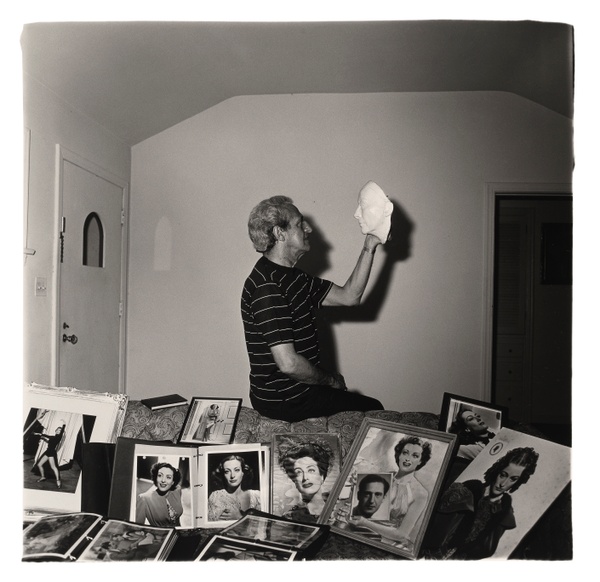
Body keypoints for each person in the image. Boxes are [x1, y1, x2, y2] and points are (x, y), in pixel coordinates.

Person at [241, 194, 385, 422]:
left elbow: (349, 296)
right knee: (373, 409)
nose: (308, 229)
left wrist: (370, 245)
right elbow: (288, 364)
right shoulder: (267, 287)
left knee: (371, 407)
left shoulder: (293, 277)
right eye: (300, 224)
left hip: (301, 390)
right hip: (285, 400)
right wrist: (331, 381)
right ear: (280, 233)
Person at [425, 446, 539, 560]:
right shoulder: (467, 491)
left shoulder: (504, 512)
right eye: (503, 475)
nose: (503, 484)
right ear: (497, 471)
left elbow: (485, 550)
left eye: (513, 479)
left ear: (518, 481)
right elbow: (435, 526)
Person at [348, 436, 431, 548]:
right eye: (405, 453)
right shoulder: (383, 477)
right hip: (361, 532)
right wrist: (355, 486)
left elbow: (402, 535)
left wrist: (365, 523)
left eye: (415, 456)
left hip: (389, 543)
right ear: (399, 455)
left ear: (421, 461)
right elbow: (360, 508)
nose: (407, 458)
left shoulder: (421, 493)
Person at [278, 441, 334, 523]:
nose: (305, 478)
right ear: (294, 480)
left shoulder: (338, 512)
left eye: (311, 470)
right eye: (298, 472)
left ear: (322, 475)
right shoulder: (289, 518)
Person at [207, 455, 261, 521]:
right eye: (227, 471)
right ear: (223, 475)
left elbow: (263, 525)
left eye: (237, 470)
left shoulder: (257, 496)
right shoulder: (216, 496)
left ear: (243, 472)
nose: (232, 475)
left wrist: (239, 517)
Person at [135, 462, 183, 527]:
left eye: (168, 477)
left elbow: (177, 519)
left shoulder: (177, 490)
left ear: (173, 482)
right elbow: (137, 528)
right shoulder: (144, 498)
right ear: (155, 478)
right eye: (160, 475)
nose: (163, 480)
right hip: (161, 536)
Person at [32, 423, 66, 489]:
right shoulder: (52, 437)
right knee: (39, 465)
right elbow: (45, 435)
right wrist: (38, 434)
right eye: (58, 430)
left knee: (53, 467)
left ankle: (58, 481)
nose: (59, 431)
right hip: (47, 452)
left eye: (60, 430)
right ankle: (43, 477)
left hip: (51, 453)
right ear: (55, 431)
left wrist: (64, 425)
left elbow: (61, 432)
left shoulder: (58, 437)